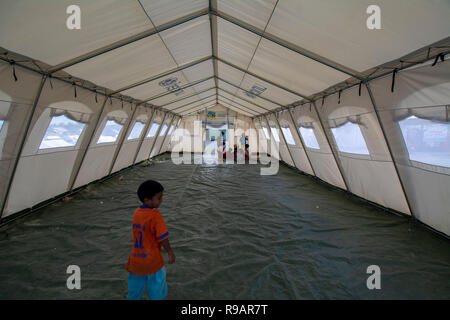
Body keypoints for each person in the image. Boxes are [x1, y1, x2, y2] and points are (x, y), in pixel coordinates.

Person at [126, 180, 176, 300]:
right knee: (157, 287)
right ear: (147, 200)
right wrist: (170, 252)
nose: (161, 200)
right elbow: (163, 237)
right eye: (159, 198)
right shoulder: (155, 216)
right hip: (152, 260)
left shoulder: (136, 213)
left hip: (135, 261)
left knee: (135, 288)